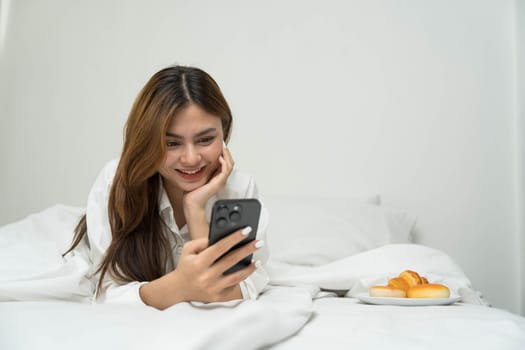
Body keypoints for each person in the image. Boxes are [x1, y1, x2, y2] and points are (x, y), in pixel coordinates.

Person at [64, 65, 269, 310]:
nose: (191, 159)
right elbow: (107, 294)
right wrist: (182, 286)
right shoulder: (117, 181)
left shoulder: (238, 189)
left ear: (224, 133)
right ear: (147, 142)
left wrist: (195, 208)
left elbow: (236, 289)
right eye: (171, 143)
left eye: (205, 139)